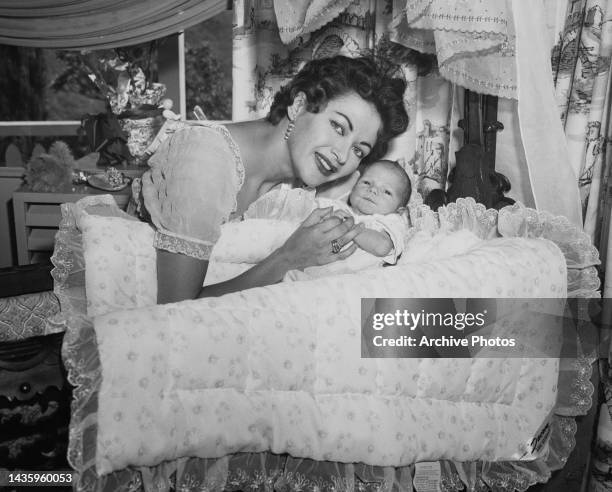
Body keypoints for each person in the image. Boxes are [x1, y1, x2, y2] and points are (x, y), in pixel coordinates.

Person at [138, 55, 409, 303]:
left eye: (359, 150)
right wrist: (288, 258)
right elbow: (176, 307)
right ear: (299, 105)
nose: (341, 155)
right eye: (338, 126)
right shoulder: (204, 158)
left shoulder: (300, 188)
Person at [205, 159, 412, 283]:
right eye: (367, 182)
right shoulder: (338, 206)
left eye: (386, 191)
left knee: (252, 277)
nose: (373, 190)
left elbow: (382, 246)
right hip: (292, 252)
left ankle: (211, 258)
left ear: (400, 209)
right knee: (258, 238)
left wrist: (350, 226)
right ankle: (210, 250)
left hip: (314, 275)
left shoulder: (389, 221)